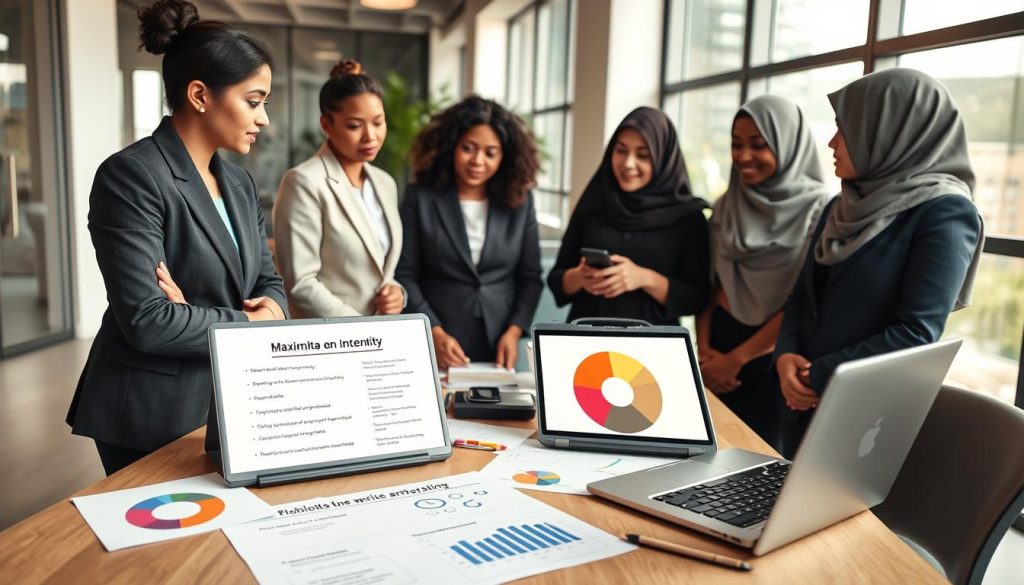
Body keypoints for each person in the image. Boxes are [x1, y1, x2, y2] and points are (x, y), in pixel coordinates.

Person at [65, 0, 287, 476]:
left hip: (232, 400)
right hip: (152, 408)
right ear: (201, 95)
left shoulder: (241, 184)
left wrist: (250, 311)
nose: (263, 118)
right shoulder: (132, 175)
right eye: (254, 101)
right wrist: (249, 325)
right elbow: (149, 320)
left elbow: (271, 286)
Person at [773, 69, 984, 458]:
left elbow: (916, 333)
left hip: (864, 422)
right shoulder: (841, 206)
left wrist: (817, 375)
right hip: (801, 405)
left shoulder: (945, 213)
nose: (833, 142)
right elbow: (802, 297)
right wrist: (785, 357)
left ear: (888, 131)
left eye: (845, 130)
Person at [696, 96, 831, 446]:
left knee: (758, 464)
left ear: (788, 146)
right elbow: (711, 285)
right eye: (736, 145)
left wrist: (735, 360)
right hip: (716, 350)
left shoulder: (820, 209)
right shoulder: (727, 203)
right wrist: (707, 351)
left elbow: (801, 300)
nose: (743, 157)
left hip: (772, 357)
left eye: (758, 145)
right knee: (702, 455)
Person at [396, 96, 542, 370]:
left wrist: (514, 331)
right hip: (438, 335)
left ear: (505, 156)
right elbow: (405, 274)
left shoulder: (521, 202)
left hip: (499, 340)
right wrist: (433, 331)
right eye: (468, 148)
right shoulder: (420, 197)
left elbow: (531, 277)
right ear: (451, 147)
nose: (478, 161)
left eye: (490, 152)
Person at [547, 107, 710, 326]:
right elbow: (557, 280)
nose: (628, 163)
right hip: (586, 341)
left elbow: (698, 298)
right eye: (621, 150)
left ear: (663, 158)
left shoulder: (688, 218)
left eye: (643, 155)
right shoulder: (594, 202)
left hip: (651, 348)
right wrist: (580, 276)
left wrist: (644, 278)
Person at [273, 59, 402, 319]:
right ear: (327, 125)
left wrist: (397, 292)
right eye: (355, 126)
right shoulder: (304, 182)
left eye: (378, 122)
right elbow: (300, 283)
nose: (371, 136)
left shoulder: (385, 183)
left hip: (383, 336)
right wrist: (360, 330)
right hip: (330, 339)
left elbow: (380, 268)